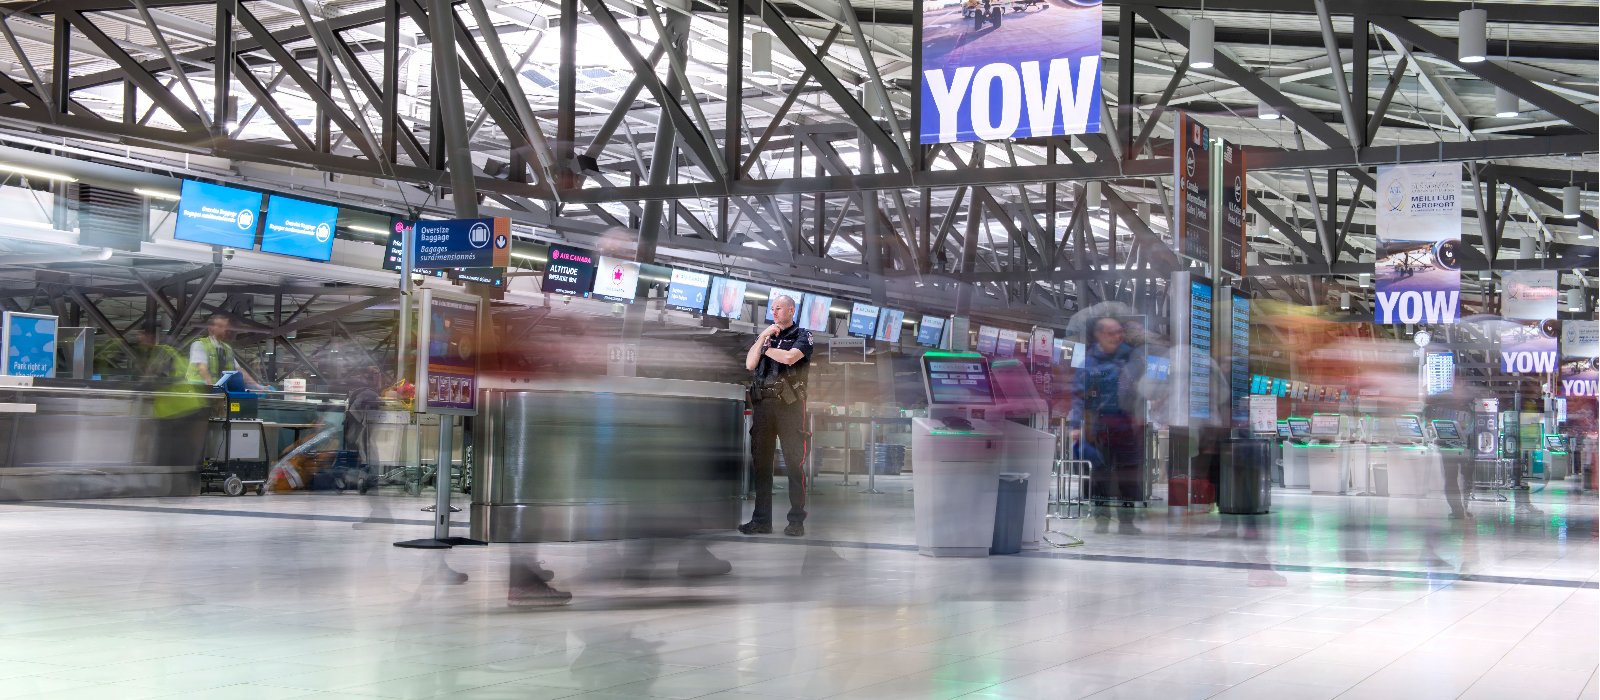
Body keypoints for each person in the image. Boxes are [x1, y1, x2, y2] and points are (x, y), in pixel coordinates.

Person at [740, 294, 813, 537]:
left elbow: (790, 357)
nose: (774, 312)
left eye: (779, 308)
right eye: (772, 308)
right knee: (761, 465)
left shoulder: (803, 335)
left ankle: (796, 521)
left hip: (790, 406)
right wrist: (762, 338)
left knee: (794, 463)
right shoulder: (767, 338)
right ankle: (761, 520)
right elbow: (750, 364)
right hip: (763, 406)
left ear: (791, 311)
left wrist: (767, 349)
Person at [1069, 317, 1146, 535]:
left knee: (1128, 474)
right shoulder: (1089, 363)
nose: (1117, 337)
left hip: (1127, 426)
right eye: (1112, 333)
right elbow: (1078, 396)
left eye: (1119, 332)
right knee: (1100, 474)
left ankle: (1127, 521)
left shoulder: (1131, 357)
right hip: (1099, 427)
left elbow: (1145, 388)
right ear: (1099, 335)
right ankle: (1101, 518)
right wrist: (1076, 425)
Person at [189, 314, 260, 386]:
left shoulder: (227, 349)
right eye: (220, 326)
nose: (224, 329)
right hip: (198, 390)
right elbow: (202, 369)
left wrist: (258, 386)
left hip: (216, 390)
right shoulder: (200, 344)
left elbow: (240, 370)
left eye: (226, 327)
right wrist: (213, 388)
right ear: (210, 328)